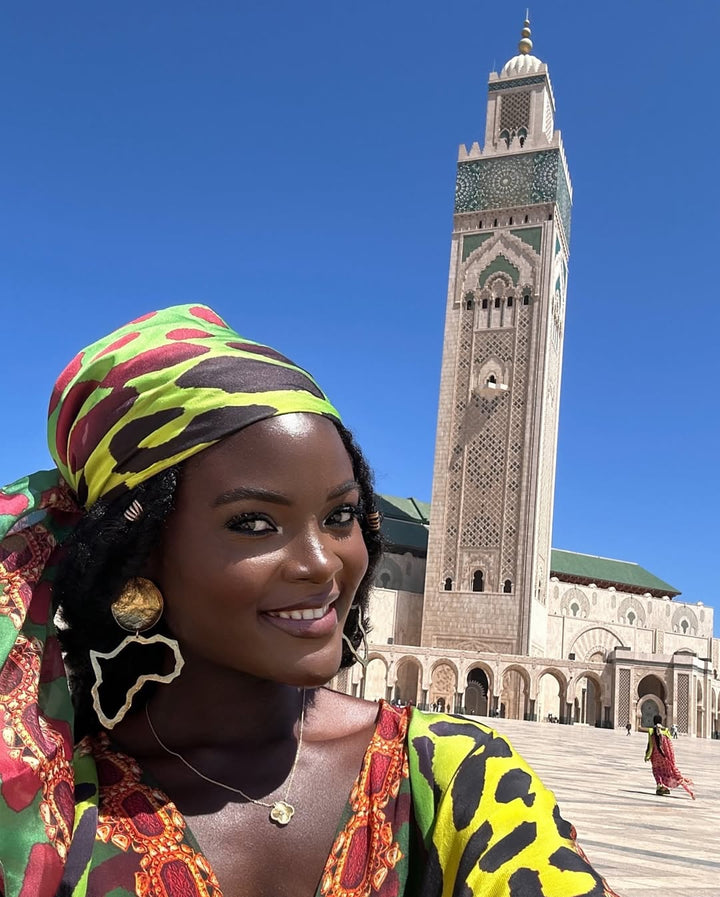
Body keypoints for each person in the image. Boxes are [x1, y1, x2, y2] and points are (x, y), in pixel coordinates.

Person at [0, 305, 621, 897]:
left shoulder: (456, 777)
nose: (322, 563)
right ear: (138, 550)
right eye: (254, 523)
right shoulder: (46, 806)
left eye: (341, 515)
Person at [644, 714, 695, 799]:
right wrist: (670, 757)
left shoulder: (651, 730)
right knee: (667, 772)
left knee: (657, 772)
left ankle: (660, 786)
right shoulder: (665, 731)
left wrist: (647, 755)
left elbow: (650, 745)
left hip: (655, 757)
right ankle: (664, 786)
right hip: (664, 756)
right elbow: (669, 745)